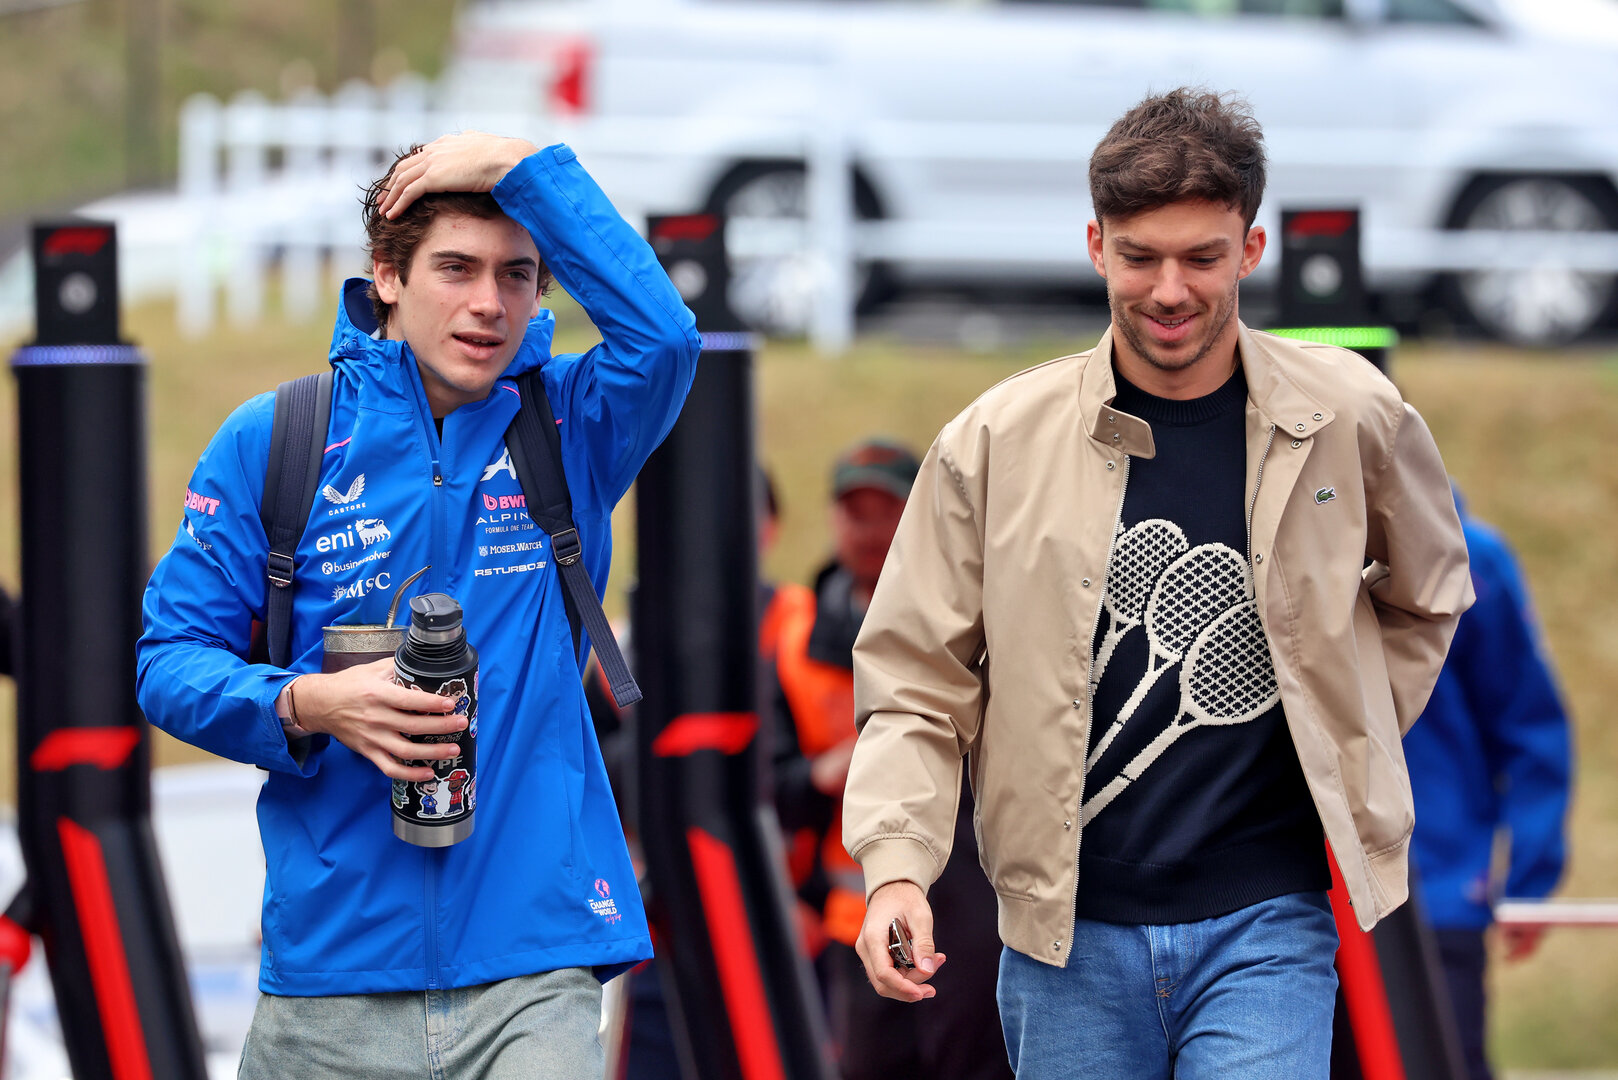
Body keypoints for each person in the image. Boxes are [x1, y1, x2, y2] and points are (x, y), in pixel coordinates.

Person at [841, 88, 1474, 1079]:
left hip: (1268, 922)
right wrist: (894, 873)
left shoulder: (1352, 414)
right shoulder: (991, 443)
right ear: (1096, 245)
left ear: (1251, 249)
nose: (1169, 289)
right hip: (1064, 940)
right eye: (1140, 257)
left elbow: (1430, 592)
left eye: (1201, 257)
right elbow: (915, 681)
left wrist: (1341, 721)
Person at [137, 132, 699, 1078]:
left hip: (535, 966)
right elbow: (168, 662)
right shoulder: (276, 439)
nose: (489, 304)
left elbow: (667, 338)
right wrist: (308, 705)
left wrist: (519, 162)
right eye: (455, 268)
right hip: (330, 982)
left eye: (518, 275)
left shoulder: (572, 425)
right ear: (386, 276)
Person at [773, 439, 1011, 1080]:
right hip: (859, 923)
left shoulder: (983, 618)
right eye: (856, 510)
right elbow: (765, 786)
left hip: (978, 915)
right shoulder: (794, 643)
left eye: (888, 509)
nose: (871, 529)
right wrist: (823, 775)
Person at [1405, 491, 1572, 1080]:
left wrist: (1529, 875)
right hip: (1278, 900)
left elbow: (1529, 725)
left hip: (1433, 891)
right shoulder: (1260, 540)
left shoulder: (1471, 557)